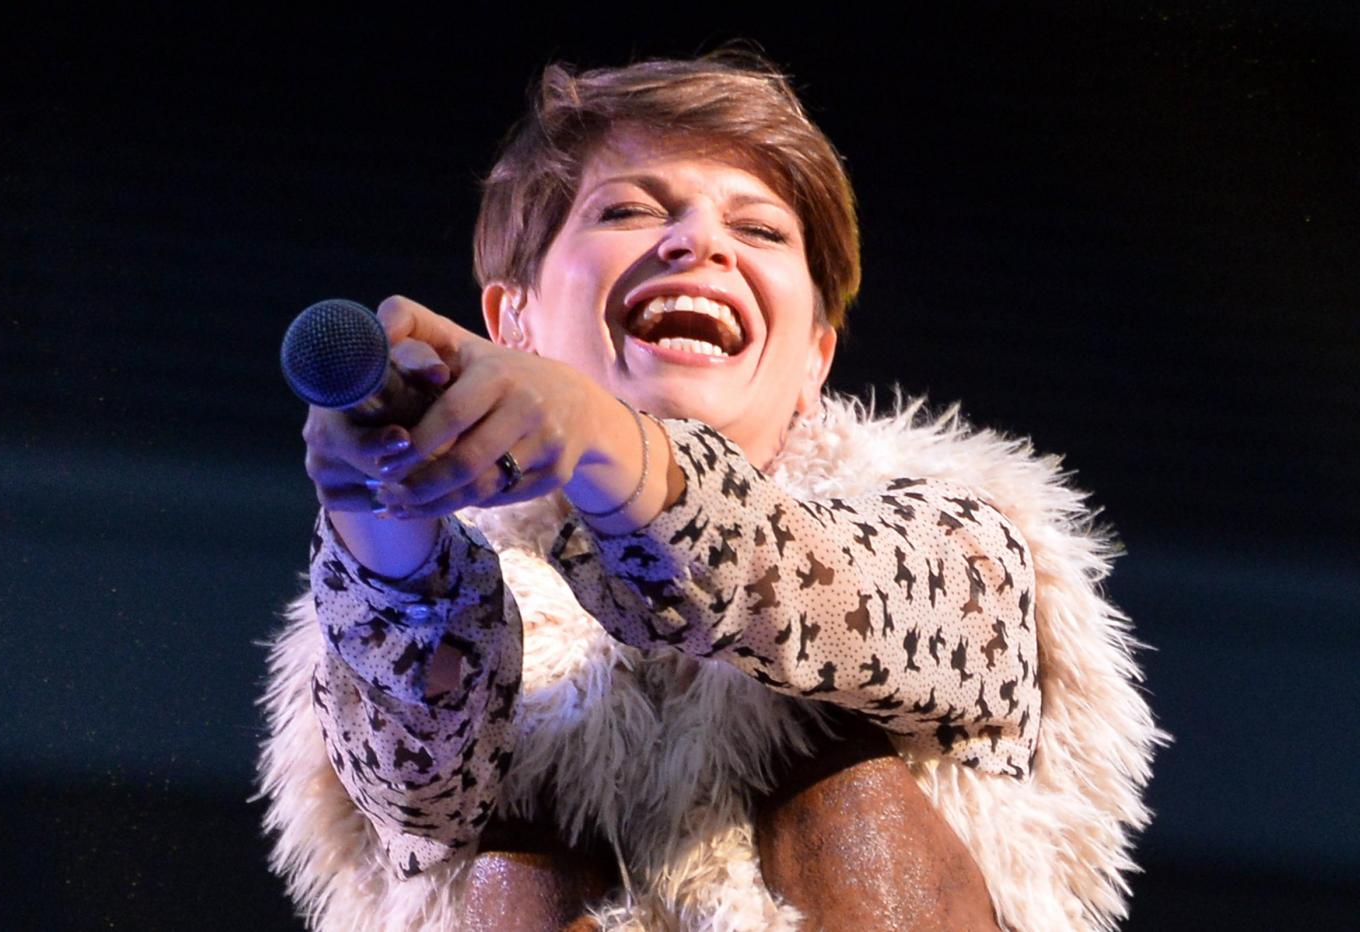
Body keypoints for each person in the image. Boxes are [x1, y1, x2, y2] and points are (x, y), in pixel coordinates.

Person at [255, 52, 1164, 931]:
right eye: (627, 210)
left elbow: (808, 592)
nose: (699, 242)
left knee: (841, 789)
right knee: (515, 873)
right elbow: (419, 788)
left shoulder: (964, 546)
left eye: (760, 230)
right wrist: (388, 524)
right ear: (512, 320)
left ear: (815, 359)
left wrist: (602, 437)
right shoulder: (460, 586)